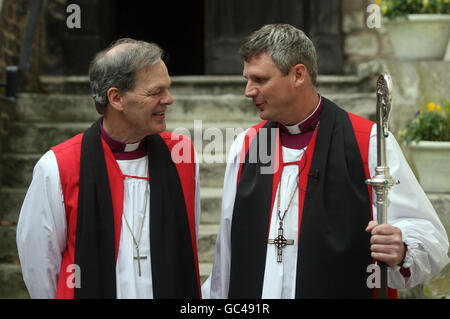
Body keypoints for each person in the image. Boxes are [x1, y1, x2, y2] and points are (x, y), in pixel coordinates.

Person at [202, 24, 449, 298]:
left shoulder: (369, 142)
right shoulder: (247, 147)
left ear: (298, 75)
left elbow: (429, 236)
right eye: (247, 80)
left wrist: (402, 249)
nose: (249, 91)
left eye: (260, 80)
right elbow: (226, 251)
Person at [16, 39, 201, 299]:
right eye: (155, 92)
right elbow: (40, 264)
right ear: (116, 98)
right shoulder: (58, 166)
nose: (168, 100)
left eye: (167, 89)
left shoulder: (181, 156)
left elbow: (189, 238)